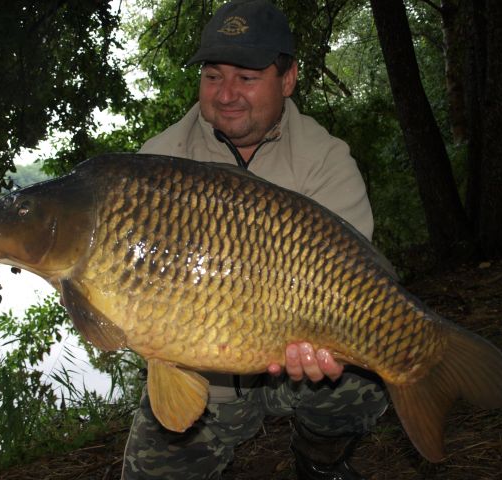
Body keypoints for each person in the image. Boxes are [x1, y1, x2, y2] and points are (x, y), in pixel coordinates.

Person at [123, 1, 390, 478]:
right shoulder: (158, 163)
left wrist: (324, 343)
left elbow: (355, 289)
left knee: (362, 380)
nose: (226, 94)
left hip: (295, 367)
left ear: (287, 80)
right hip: (201, 377)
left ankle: (318, 457)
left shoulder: (325, 161)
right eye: (212, 76)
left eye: (246, 77)